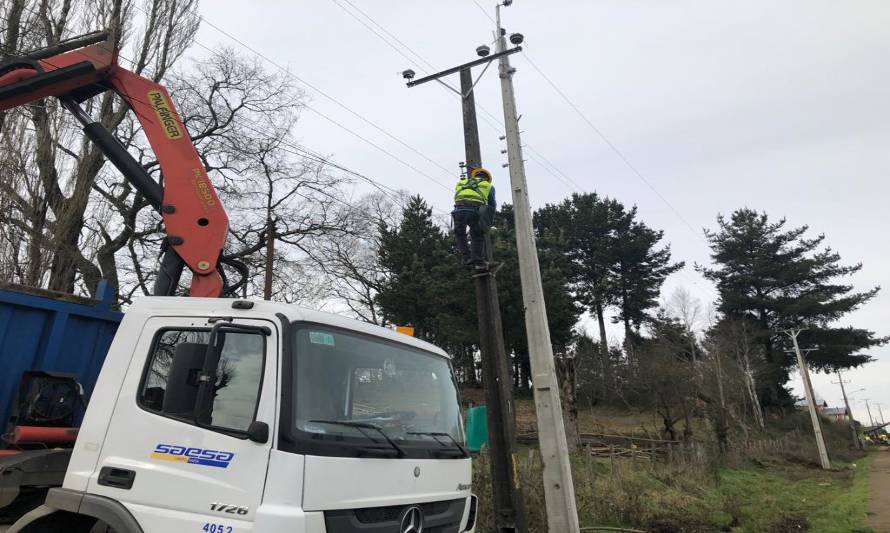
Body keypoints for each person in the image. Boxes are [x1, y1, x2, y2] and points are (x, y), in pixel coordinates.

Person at [452, 167, 496, 268]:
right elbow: (492, 204)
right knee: (477, 234)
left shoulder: (461, 182)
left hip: (458, 210)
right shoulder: (488, 186)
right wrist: (489, 218)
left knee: (460, 234)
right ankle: (479, 262)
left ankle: (466, 258)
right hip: (474, 211)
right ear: (486, 179)